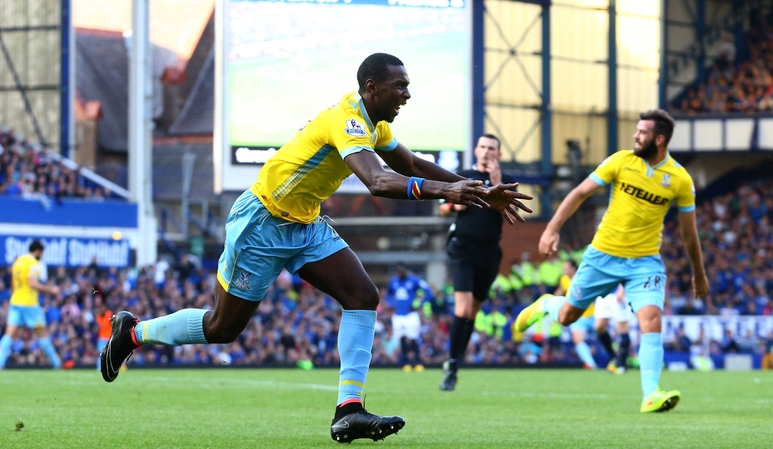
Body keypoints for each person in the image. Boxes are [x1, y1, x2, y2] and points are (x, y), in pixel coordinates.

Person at [100, 53, 532, 443]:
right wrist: (449, 191)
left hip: (305, 224)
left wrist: (478, 189)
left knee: (363, 296)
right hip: (262, 223)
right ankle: (133, 332)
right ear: (372, 88)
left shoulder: (374, 125)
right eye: (399, 85)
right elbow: (379, 181)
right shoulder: (347, 120)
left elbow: (414, 165)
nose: (407, 93)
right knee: (222, 329)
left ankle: (349, 411)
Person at [514, 109, 709, 413]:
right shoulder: (621, 160)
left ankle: (650, 394)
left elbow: (689, 232)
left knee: (652, 320)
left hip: (644, 261)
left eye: (642, 132)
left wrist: (699, 273)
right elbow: (579, 193)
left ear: (659, 139)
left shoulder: (680, 179)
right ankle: (546, 304)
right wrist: (552, 228)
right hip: (602, 255)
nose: (635, 135)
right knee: (567, 317)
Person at [438, 133, 516, 391]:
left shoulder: (505, 183)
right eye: (482, 146)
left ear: (499, 154)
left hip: (489, 252)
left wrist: (496, 182)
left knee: (471, 313)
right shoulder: (462, 175)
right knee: (463, 306)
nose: (486, 151)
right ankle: (451, 363)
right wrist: (453, 206)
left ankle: (455, 363)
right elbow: (442, 207)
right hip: (462, 248)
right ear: (475, 149)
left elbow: (510, 214)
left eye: (491, 148)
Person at [0, 240, 62, 369]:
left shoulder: (18, 261)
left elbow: (14, 283)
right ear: (38, 251)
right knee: (42, 333)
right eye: (42, 253)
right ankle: (57, 363)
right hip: (29, 303)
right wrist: (52, 290)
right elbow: (32, 283)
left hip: (15, 301)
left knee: (9, 335)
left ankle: (0, 362)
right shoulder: (33, 262)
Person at [384, 263, 433, 372]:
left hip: (411, 314)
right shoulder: (393, 281)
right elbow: (388, 294)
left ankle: (417, 361)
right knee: (402, 338)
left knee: (413, 338)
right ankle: (405, 362)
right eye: (399, 271)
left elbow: (428, 292)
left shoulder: (414, 280)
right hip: (398, 315)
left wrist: (418, 304)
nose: (401, 272)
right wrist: (391, 304)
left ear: (406, 270)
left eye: (402, 270)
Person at [554, 259, 598, 370]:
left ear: (573, 268)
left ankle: (616, 358)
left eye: (566, 268)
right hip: (577, 316)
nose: (564, 270)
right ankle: (591, 364)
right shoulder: (564, 279)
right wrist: (552, 299)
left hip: (592, 313)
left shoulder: (582, 277)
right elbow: (561, 290)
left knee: (603, 336)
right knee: (578, 340)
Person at [594, 284, 633, 374]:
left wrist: (621, 288)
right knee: (599, 327)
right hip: (603, 294)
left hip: (617, 293)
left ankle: (622, 364)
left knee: (622, 328)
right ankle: (613, 356)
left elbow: (625, 270)